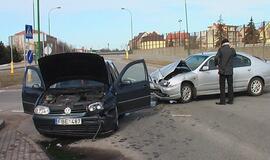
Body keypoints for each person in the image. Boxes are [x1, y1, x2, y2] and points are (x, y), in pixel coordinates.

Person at [214, 38, 236, 105]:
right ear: (228, 43)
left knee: (222, 87)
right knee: (230, 86)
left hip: (222, 71)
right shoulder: (232, 50)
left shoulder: (221, 49)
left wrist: (216, 64)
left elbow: (216, 58)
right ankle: (230, 101)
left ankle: (222, 101)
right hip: (230, 71)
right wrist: (232, 47)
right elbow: (235, 55)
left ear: (222, 43)